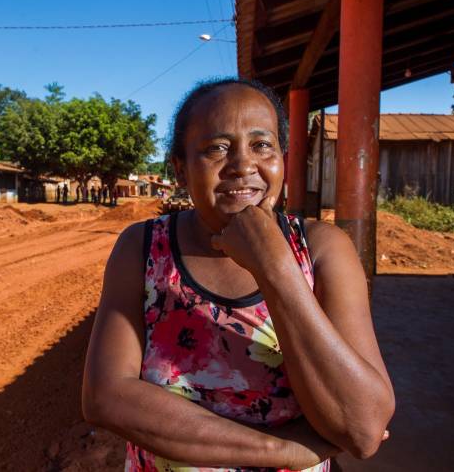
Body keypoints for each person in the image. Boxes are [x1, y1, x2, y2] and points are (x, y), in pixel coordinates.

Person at [82, 79, 394, 471]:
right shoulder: (143, 248)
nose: (244, 165)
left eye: (262, 146)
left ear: (283, 160)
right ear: (180, 169)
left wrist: (275, 267)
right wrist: (279, 449)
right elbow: (106, 396)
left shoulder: (323, 249)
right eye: (217, 148)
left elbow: (363, 429)